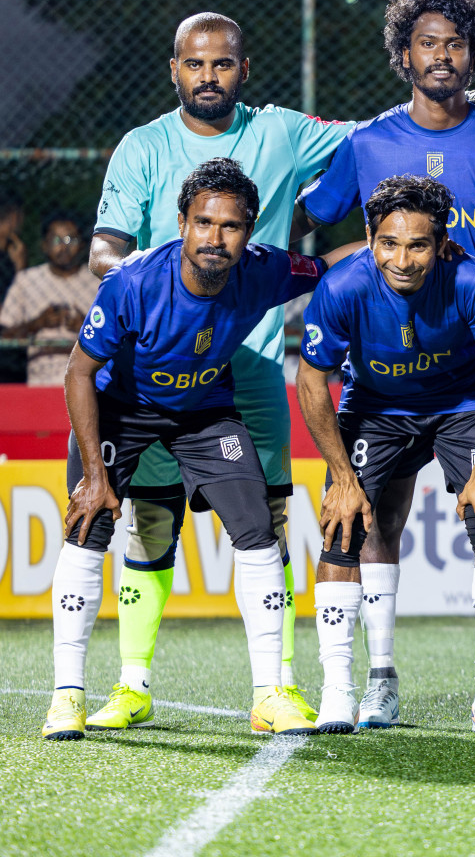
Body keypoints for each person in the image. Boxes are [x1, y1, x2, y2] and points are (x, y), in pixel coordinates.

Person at [83, 9, 475, 732]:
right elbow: (104, 248)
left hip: (251, 365)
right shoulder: (141, 147)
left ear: (243, 68)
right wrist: (131, 269)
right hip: (150, 370)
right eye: (194, 65)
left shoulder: (286, 130)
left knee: (274, 520)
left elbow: (382, 131)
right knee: (151, 522)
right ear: (175, 71)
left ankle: (278, 686)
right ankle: (132, 682)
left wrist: (465, 106)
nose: (208, 77)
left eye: (222, 63)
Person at [295, 0, 475, 729]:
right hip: (381, 380)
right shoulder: (368, 141)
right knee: (366, 521)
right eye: (427, 43)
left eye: (456, 44)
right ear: (403, 54)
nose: (442, 55)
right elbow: (308, 218)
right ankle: (374, 679)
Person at [42, 160, 339, 740]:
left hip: (205, 410)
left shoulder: (264, 270)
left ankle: (269, 695)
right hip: (120, 408)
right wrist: (97, 476)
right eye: (203, 223)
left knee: (257, 525)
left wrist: (386, 249)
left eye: (231, 226)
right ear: (182, 223)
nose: (215, 237)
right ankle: (67, 695)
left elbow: (329, 264)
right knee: (88, 525)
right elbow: (79, 373)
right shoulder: (131, 283)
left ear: (249, 233)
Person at [298, 176, 475, 734]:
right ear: (370, 239)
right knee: (345, 526)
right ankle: (355, 688)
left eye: (418, 245)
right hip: (375, 406)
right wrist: (341, 478)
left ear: (442, 241)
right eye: (389, 244)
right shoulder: (342, 286)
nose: (402, 259)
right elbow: (311, 381)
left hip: (463, 402)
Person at [1, 214, 100, 385]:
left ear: (83, 245)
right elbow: (5, 336)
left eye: (71, 240)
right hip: (41, 380)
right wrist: (38, 323)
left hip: (89, 381)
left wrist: (85, 327)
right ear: (44, 246)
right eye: (56, 240)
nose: (63, 247)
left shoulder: (97, 283)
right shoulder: (26, 280)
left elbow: (117, 338)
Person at [0, 201, 29, 382]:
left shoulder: (11, 255)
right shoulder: (11, 258)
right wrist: (21, 267)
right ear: (13, 217)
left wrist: (19, 265)